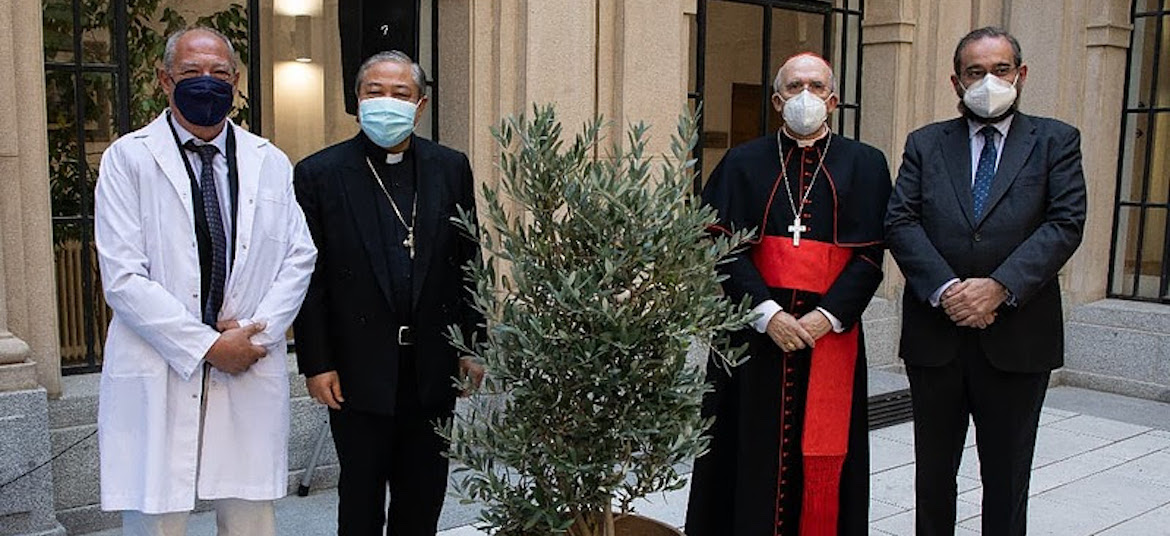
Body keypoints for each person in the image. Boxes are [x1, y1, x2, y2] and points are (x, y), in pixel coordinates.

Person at [94, 26, 317, 536]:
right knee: (157, 518)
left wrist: (255, 335)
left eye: (219, 73)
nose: (206, 82)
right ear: (164, 80)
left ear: (235, 81)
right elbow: (123, 277)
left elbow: (298, 256)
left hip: (246, 361)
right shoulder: (128, 159)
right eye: (191, 72)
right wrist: (207, 346)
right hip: (159, 360)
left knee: (250, 519)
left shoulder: (269, 161)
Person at [885, 27, 1087, 535]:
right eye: (975, 72)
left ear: (1021, 74)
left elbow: (1064, 223)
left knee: (1007, 476)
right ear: (956, 81)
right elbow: (901, 221)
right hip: (937, 336)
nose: (988, 81)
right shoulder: (926, 143)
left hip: (1018, 338)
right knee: (934, 476)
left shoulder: (1056, 141)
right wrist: (949, 290)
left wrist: (998, 287)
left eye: (1000, 70)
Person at [685, 53, 891, 535]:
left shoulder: (866, 164)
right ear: (777, 101)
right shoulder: (742, 162)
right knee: (744, 450)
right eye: (795, 86)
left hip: (831, 336)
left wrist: (827, 317)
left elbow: (871, 255)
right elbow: (719, 247)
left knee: (827, 455)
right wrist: (768, 314)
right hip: (752, 339)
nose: (806, 96)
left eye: (816, 86)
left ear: (833, 100)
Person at [292, 51, 485, 535]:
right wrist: (317, 362)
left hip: (432, 364)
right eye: (374, 91)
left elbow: (469, 259)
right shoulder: (320, 173)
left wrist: (472, 345)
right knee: (360, 498)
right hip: (356, 367)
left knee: (423, 495)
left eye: (401, 93)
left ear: (420, 106)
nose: (386, 101)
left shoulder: (450, 167)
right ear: (357, 100)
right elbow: (308, 277)